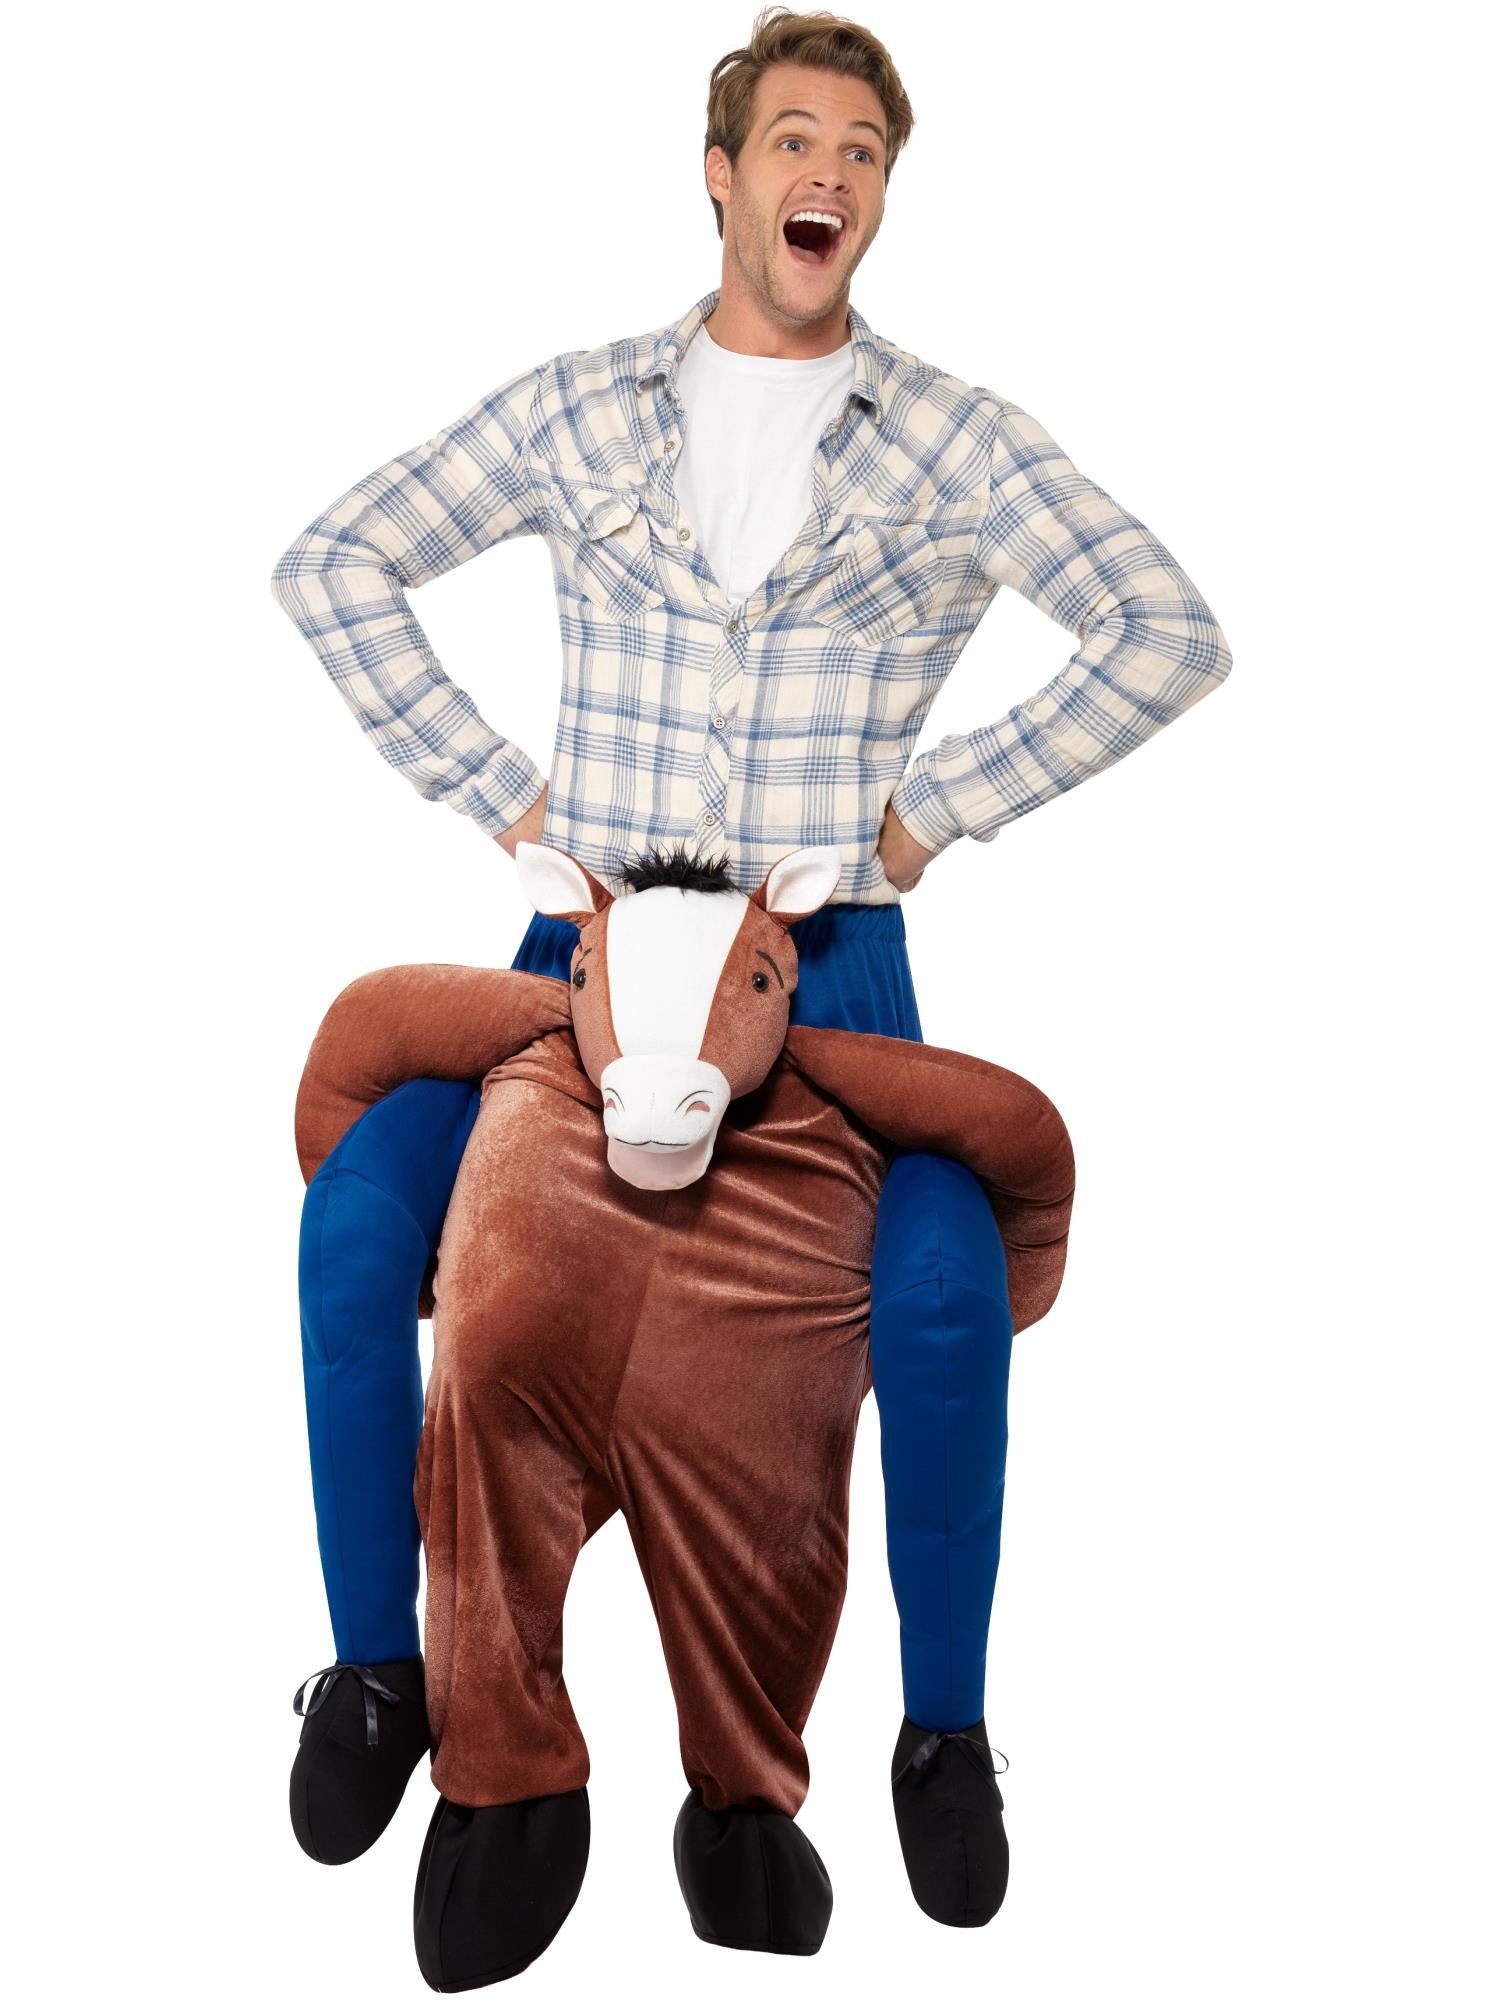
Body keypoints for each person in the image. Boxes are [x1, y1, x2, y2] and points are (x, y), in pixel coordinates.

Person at [272, 5, 1232, 1968]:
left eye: (861, 153)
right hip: (586, 962)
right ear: (721, 176)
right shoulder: (581, 406)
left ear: (880, 197)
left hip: (830, 974)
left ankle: (941, 1732)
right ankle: (380, 1669)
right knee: (360, 1220)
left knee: (944, 1291)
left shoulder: (958, 439)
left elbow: (1169, 629)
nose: (828, 175)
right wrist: (504, 796)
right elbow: (335, 563)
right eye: (794, 140)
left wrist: (931, 815)